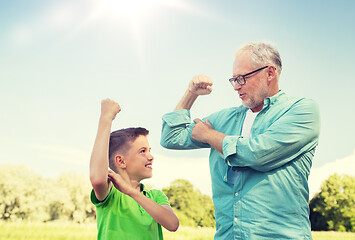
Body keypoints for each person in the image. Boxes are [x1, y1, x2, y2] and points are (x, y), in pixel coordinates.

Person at [160, 41, 320, 239]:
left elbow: (258, 154)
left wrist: (210, 136)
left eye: (242, 78)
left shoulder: (301, 111)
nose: (236, 87)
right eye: (234, 80)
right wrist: (190, 94)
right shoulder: (224, 119)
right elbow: (171, 137)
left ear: (270, 73)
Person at [90, 99, 179, 240]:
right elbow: (97, 178)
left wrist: (131, 192)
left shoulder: (155, 196)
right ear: (121, 161)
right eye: (142, 151)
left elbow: (173, 224)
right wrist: (106, 118)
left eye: (149, 150)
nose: (151, 157)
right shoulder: (110, 194)